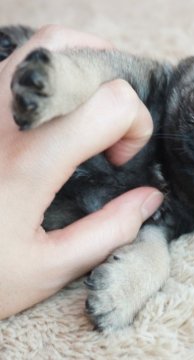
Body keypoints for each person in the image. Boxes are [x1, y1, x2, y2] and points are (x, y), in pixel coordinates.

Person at [0, 25, 163, 320]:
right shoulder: (154, 84)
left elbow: (152, 244)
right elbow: (102, 68)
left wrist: (143, 272)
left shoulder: (171, 223)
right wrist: (63, 80)